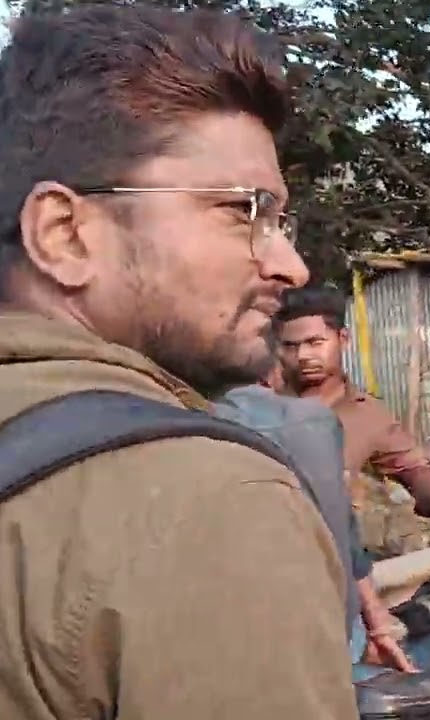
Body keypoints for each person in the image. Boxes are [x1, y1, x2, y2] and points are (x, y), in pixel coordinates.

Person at [0, 6, 355, 719]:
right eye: (243, 211)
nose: (289, 266)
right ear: (65, 234)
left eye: (278, 221)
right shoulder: (209, 501)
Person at [214, 365, 416, 674]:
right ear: (273, 372)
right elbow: (346, 534)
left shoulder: (188, 424)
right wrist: (378, 625)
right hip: (334, 635)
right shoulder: (318, 422)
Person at [275, 286, 430, 521]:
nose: (302, 355)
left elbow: (413, 469)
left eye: (315, 342)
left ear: (343, 339)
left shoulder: (368, 415)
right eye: (290, 346)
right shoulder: (257, 403)